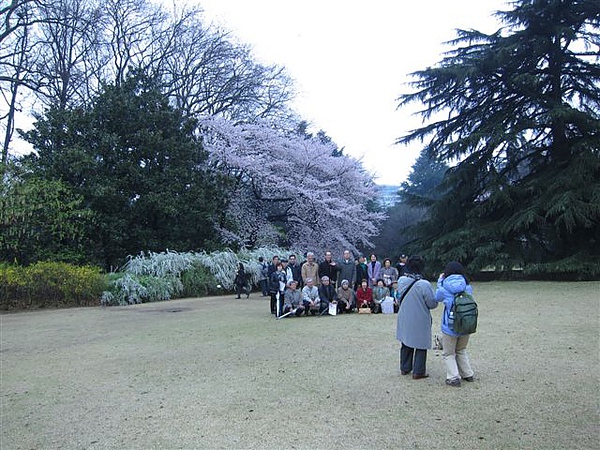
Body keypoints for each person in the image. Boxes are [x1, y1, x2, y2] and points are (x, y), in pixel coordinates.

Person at [396, 255, 438, 380]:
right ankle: (418, 371)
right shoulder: (424, 284)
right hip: (420, 317)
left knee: (406, 340)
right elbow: (432, 303)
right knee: (421, 343)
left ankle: (405, 367)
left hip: (404, 316)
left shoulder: (401, 281)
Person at [435, 261, 475, 387]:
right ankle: (467, 374)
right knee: (461, 350)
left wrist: (440, 281)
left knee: (449, 353)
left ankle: (453, 377)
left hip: (450, 327)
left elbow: (437, 297)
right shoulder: (467, 287)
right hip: (466, 325)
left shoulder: (444, 288)